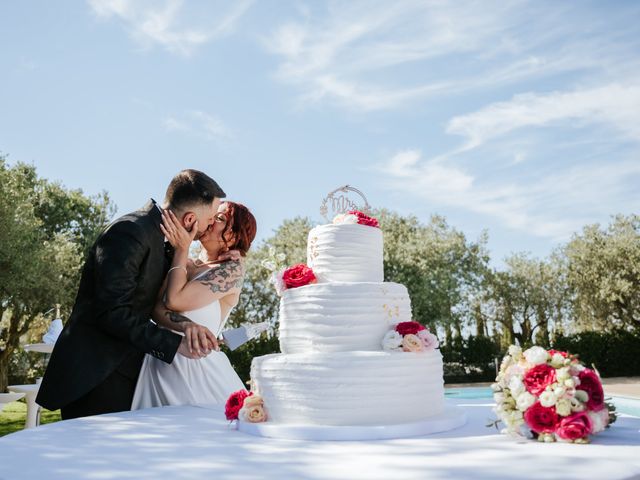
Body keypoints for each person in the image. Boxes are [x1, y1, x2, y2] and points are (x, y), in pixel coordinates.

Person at [37, 169, 227, 419]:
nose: (211, 224)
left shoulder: (168, 244)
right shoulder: (129, 231)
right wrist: (174, 344)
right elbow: (112, 312)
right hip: (97, 376)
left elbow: (164, 299)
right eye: (211, 218)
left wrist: (227, 259)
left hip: (134, 373)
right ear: (190, 219)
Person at [131, 201, 257, 408]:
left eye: (220, 219)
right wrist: (181, 252)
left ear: (233, 236)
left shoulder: (232, 271)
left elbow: (174, 301)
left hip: (198, 376)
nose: (209, 221)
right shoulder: (183, 264)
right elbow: (157, 309)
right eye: (212, 215)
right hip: (158, 367)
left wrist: (182, 247)